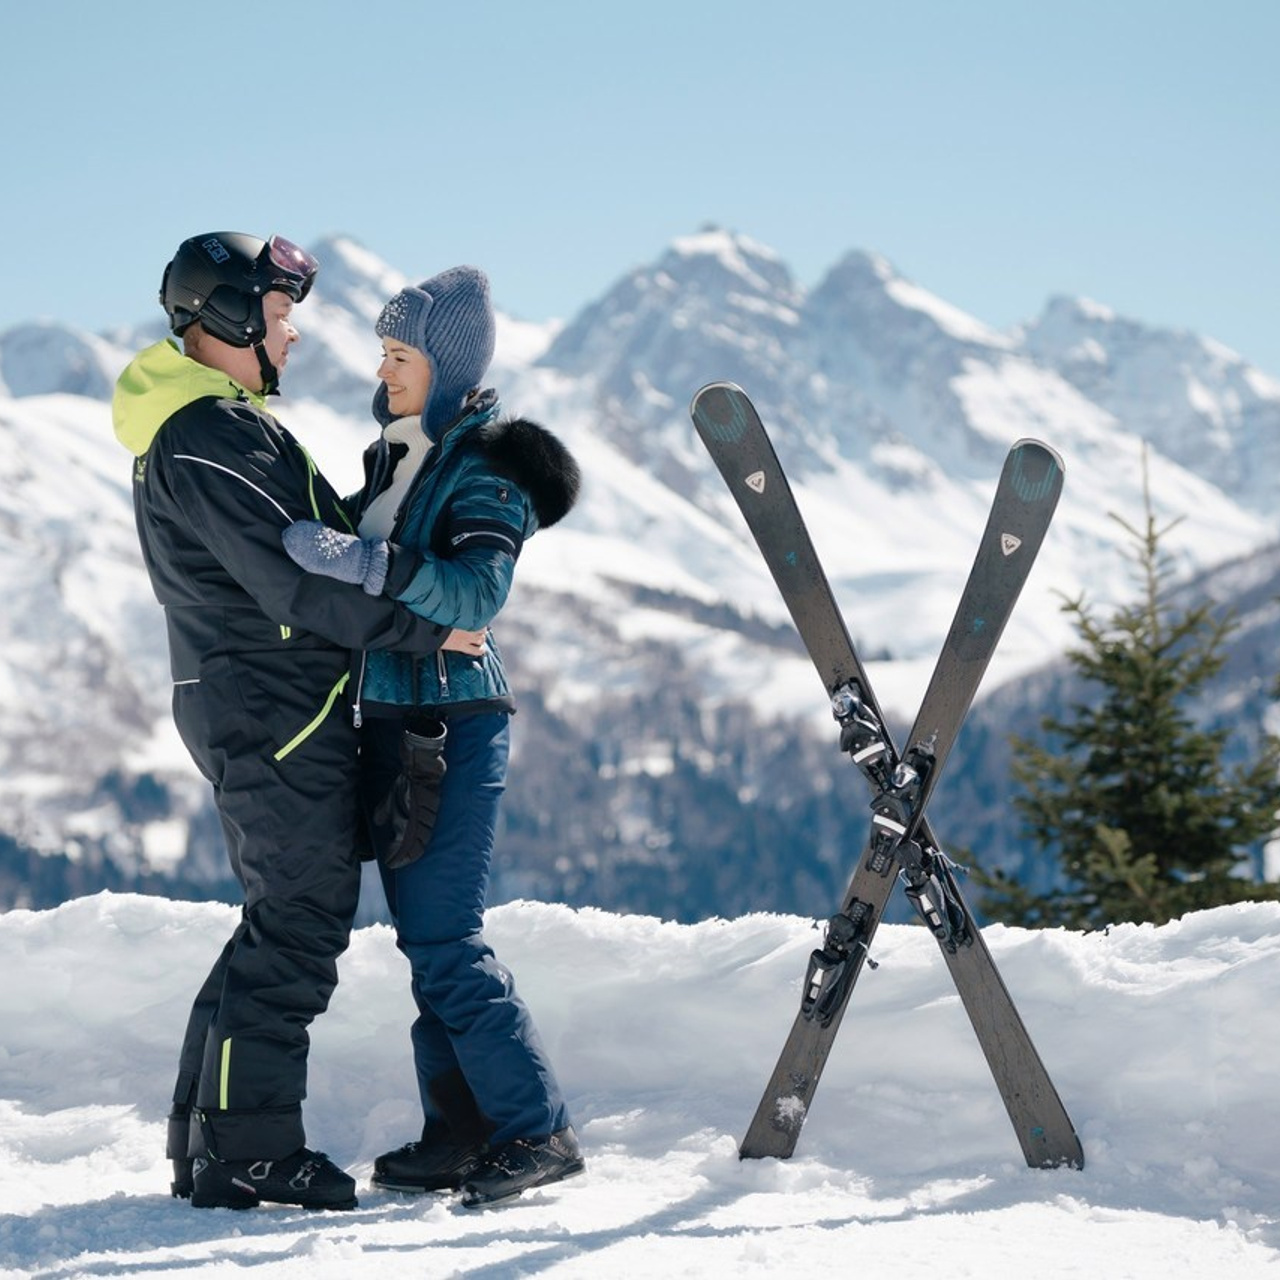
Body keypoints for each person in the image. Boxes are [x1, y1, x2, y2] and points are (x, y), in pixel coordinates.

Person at [112, 232, 483, 1213]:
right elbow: (292, 576)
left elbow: (316, 538)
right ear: (228, 318)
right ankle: (251, 1151)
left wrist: (399, 479)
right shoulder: (205, 436)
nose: (293, 338)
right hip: (269, 708)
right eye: (280, 318)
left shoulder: (224, 427)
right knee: (300, 926)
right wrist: (426, 624)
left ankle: (211, 1142)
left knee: (278, 920)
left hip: (268, 701)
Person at [282, 265, 583, 1208]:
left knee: (447, 936)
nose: (385, 368)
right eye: (383, 351)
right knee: (424, 939)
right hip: (395, 720)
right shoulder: (400, 455)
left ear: (449, 369)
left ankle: (536, 1131)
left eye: (402, 353)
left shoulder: (488, 469)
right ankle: (460, 1129)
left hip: (451, 721)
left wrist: (368, 562)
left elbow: (476, 596)